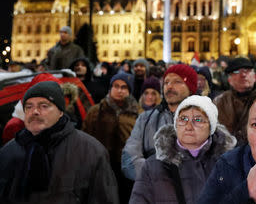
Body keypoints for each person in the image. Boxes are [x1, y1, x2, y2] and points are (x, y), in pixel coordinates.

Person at [0, 81, 119, 203]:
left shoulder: (90, 151)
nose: (34, 111)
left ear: (61, 112)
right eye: (29, 106)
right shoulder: (9, 151)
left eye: (44, 106)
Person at [129, 95, 236, 203]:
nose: (188, 126)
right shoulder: (153, 165)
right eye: (183, 119)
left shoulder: (228, 164)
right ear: (176, 124)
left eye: (198, 120)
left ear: (211, 128)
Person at [122, 63, 198, 181]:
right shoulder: (146, 118)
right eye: (166, 82)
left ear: (191, 88)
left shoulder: (203, 121)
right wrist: (159, 177)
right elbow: (129, 158)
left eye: (177, 82)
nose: (170, 86)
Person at [82, 72, 142, 203]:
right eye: (116, 86)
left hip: (128, 169)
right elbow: (85, 138)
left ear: (129, 91)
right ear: (110, 88)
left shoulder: (138, 113)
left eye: (124, 87)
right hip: (102, 167)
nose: (119, 90)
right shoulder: (95, 111)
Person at [214, 57, 256, 144]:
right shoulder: (220, 101)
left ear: (254, 77)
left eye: (247, 70)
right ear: (229, 80)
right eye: (236, 72)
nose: (243, 75)